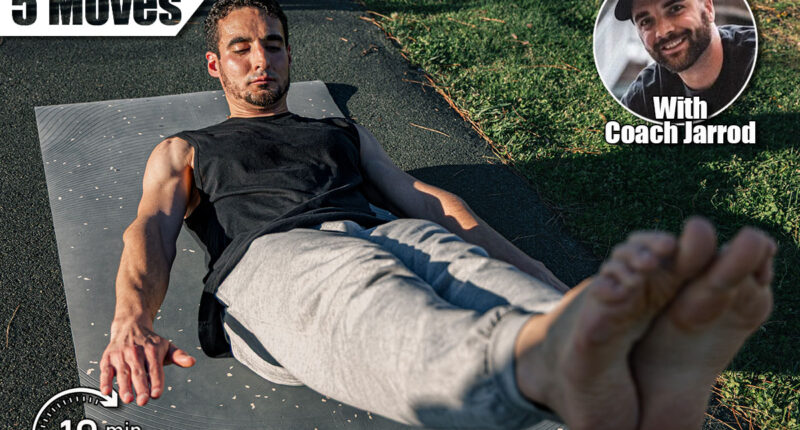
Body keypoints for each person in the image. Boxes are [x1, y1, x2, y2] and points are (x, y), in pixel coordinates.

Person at [99, 1, 776, 428]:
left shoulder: (336, 129)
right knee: (367, 288)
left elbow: (428, 201)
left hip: (387, 233)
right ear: (216, 64)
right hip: (278, 264)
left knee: (447, 258)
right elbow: (150, 230)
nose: (261, 59)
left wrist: (538, 269)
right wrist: (133, 320)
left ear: (288, 54)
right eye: (243, 47)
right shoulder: (188, 148)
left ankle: (610, 358)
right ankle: (537, 372)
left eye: (273, 44)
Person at [615, 0, 756, 121]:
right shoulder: (643, 97)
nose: (663, 31)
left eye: (675, 9)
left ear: (708, 8)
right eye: (646, 21)